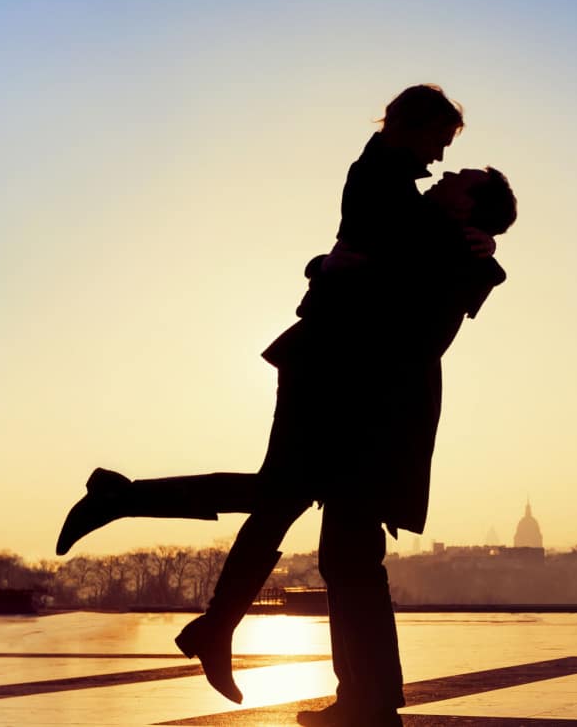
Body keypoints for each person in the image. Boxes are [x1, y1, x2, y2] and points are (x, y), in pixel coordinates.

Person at [57, 86, 516, 727]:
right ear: (416, 128)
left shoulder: (443, 242)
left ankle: (155, 541)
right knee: (326, 538)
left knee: (308, 522)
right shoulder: (400, 199)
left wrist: (338, 268)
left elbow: (398, 290)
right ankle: (355, 696)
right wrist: (325, 267)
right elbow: (370, 208)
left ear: (471, 210)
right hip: (347, 396)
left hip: (360, 405)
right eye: (443, 143)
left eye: (459, 172)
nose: (445, 162)